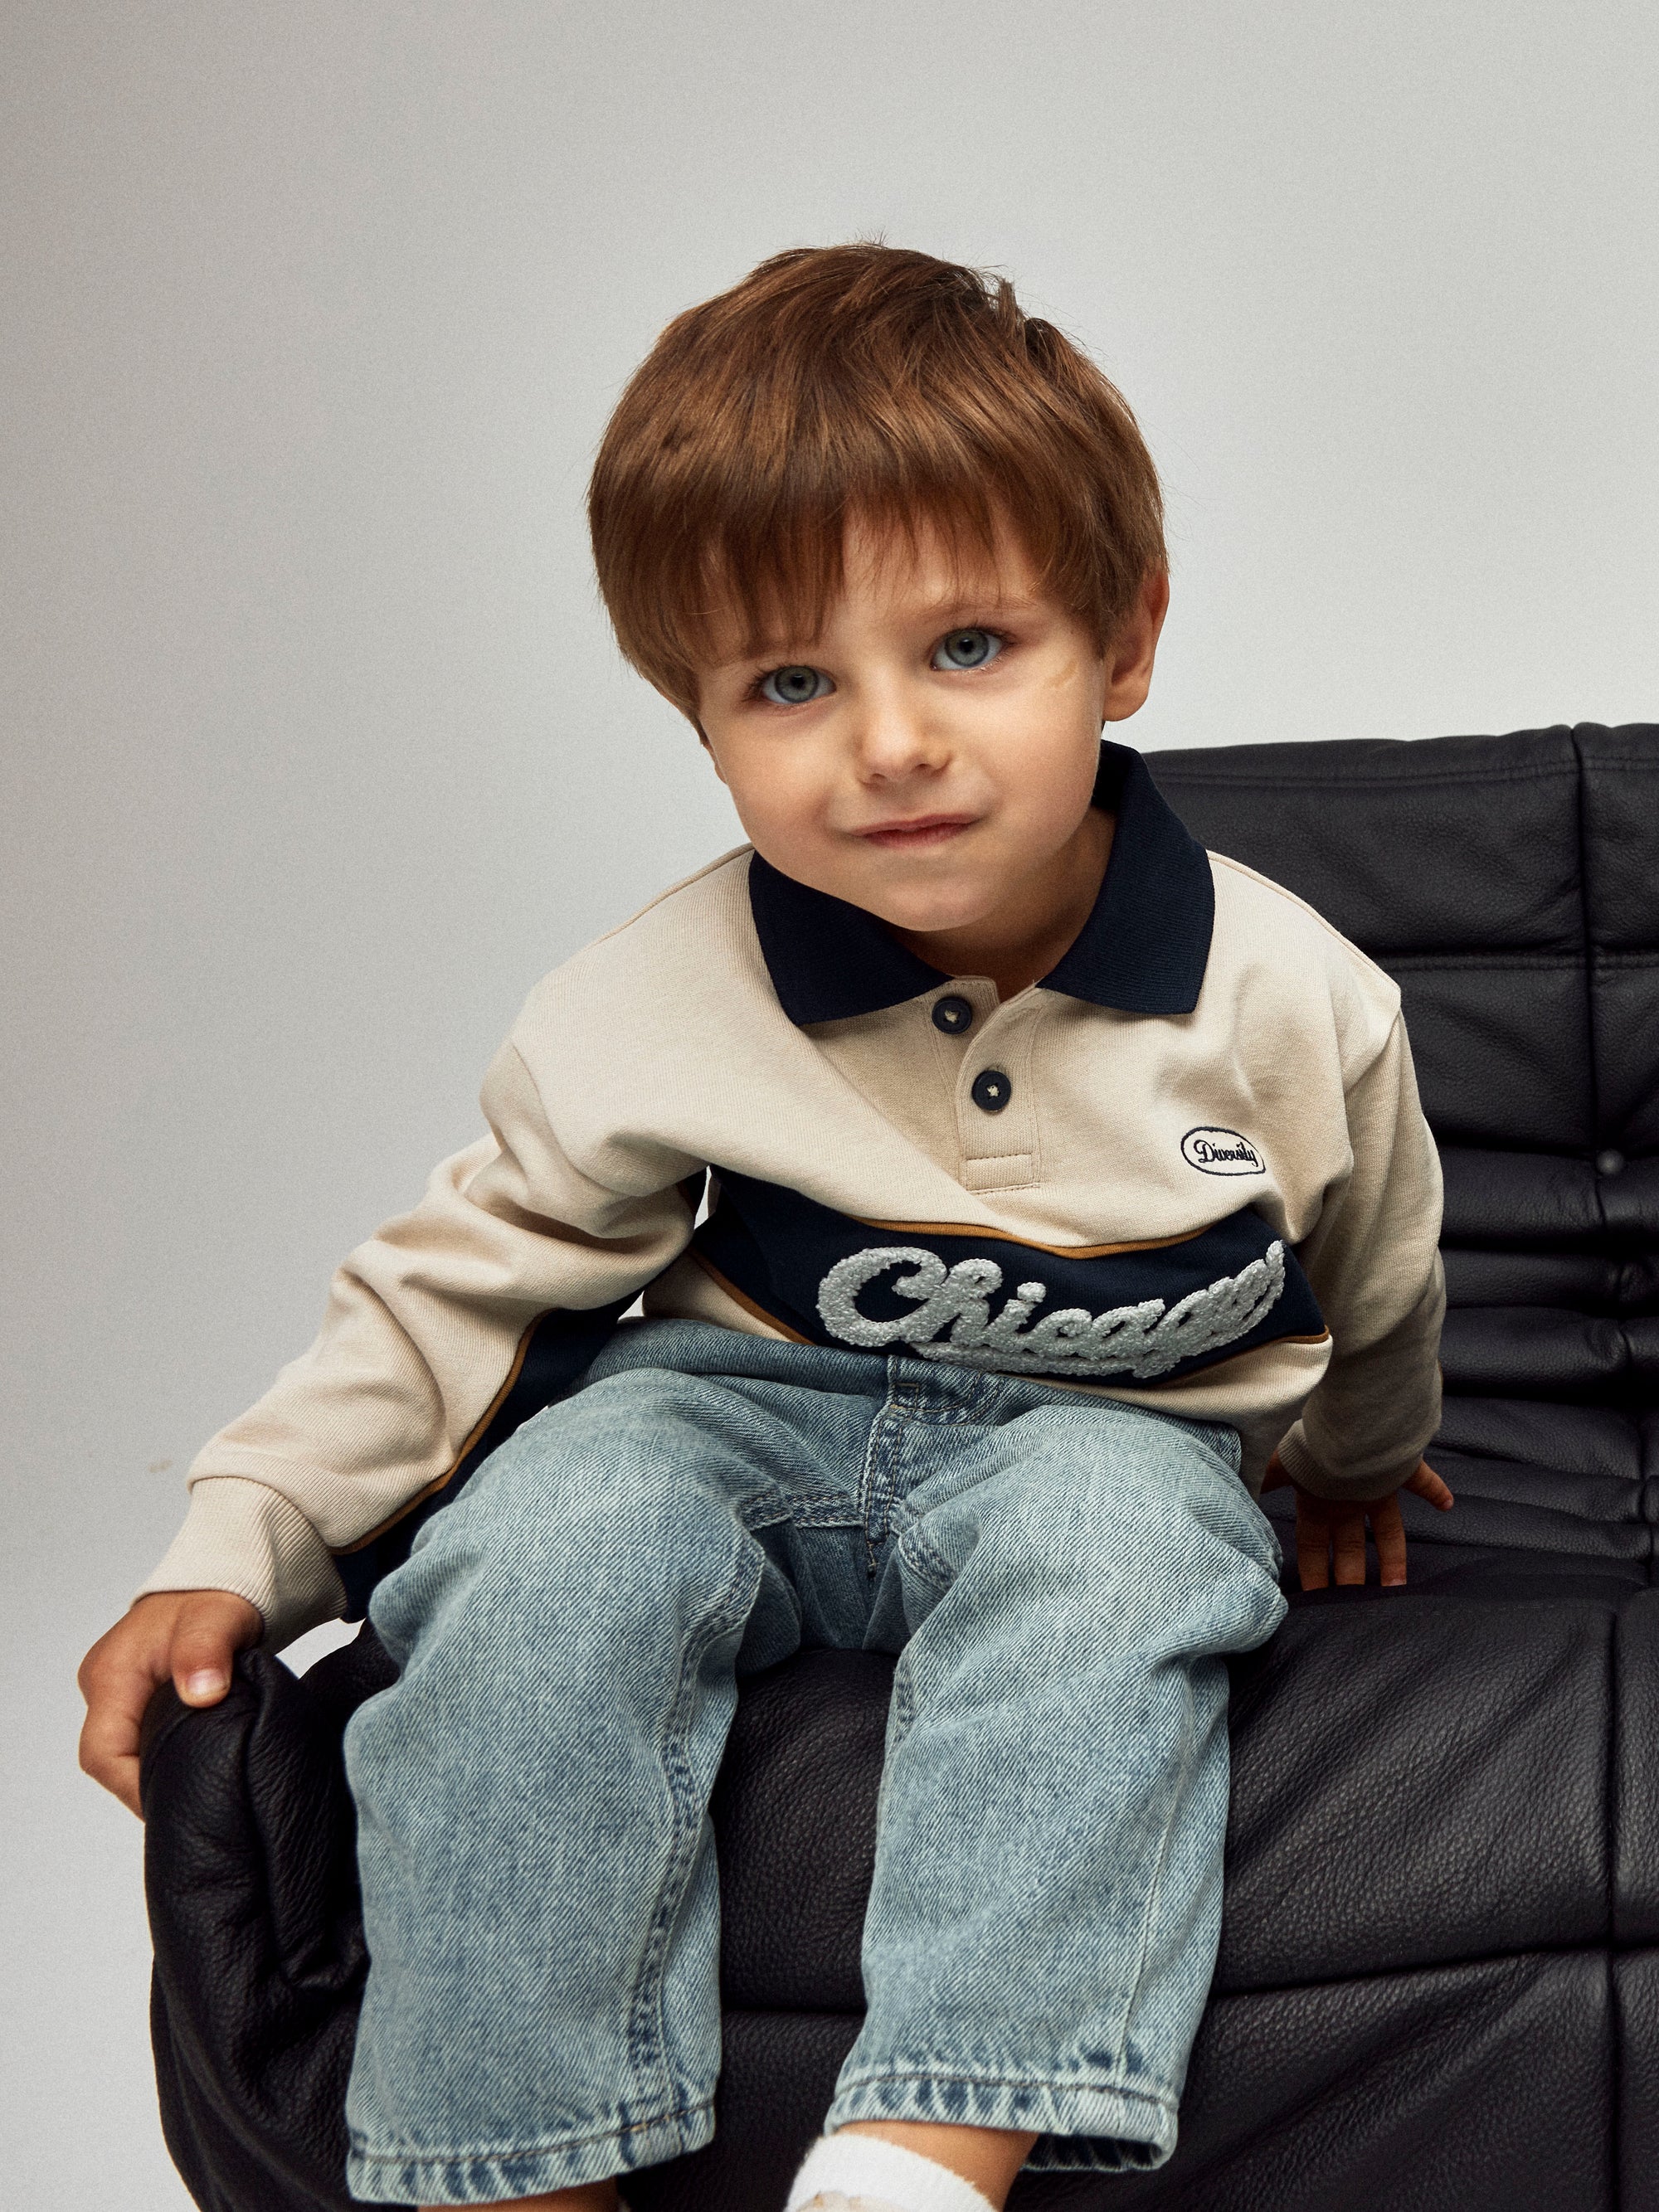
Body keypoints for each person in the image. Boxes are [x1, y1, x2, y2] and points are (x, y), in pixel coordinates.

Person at [78, 244, 1452, 2212]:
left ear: (1124, 639)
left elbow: (1377, 1257)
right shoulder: (656, 996)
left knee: (1117, 1562)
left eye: (967, 645)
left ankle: (924, 2147)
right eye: (793, 682)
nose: (887, 743)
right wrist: (240, 1537)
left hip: (1112, 1430)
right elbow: (453, 1289)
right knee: (541, 1545)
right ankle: (518, 2166)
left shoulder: (1290, 996)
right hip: (737, 1405)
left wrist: (1361, 1455)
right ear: (700, 716)